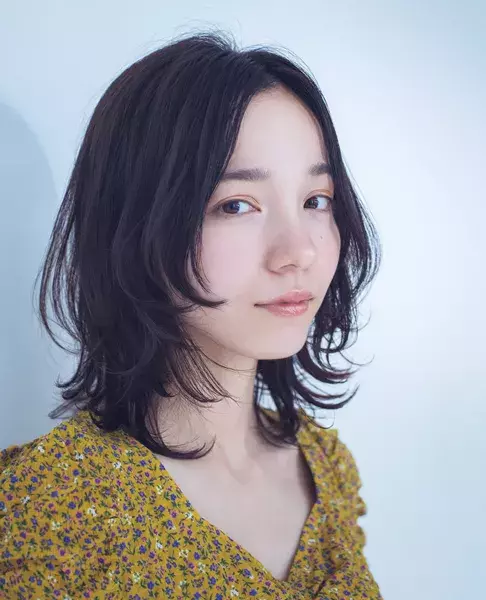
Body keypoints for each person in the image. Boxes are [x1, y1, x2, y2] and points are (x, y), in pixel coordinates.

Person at [0, 31, 382, 599]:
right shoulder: (50, 504)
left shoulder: (326, 467)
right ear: (137, 228)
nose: (299, 250)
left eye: (316, 200)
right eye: (237, 205)